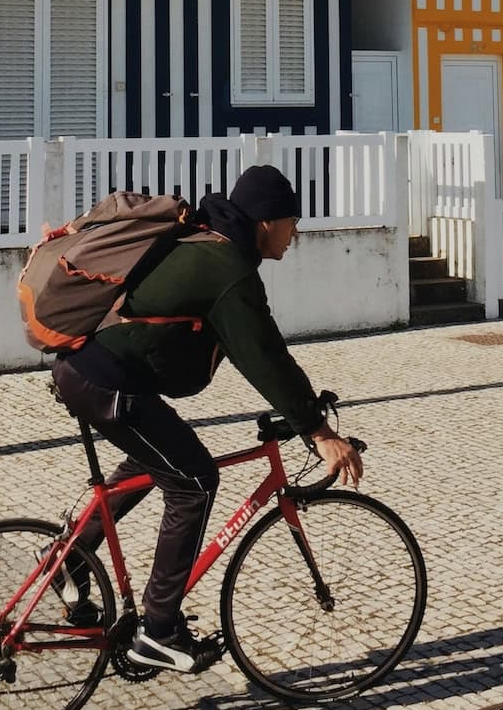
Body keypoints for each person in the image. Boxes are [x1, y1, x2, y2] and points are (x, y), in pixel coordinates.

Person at [51, 163, 363, 672]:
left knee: (160, 456)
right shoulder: (227, 267)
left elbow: (253, 352)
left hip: (92, 371)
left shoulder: (209, 243)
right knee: (194, 479)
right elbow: (263, 354)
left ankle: (70, 561)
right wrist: (318, 431)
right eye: (292, 222)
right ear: (265, 221)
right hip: (104, 381)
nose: (296, 234)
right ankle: (159, 630)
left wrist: (303, 415)